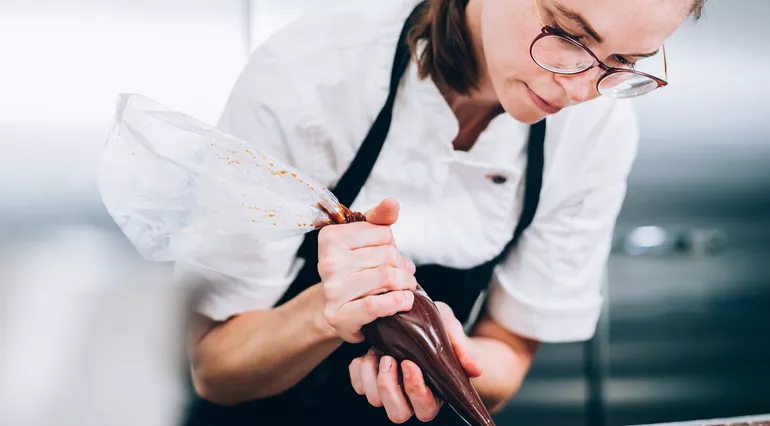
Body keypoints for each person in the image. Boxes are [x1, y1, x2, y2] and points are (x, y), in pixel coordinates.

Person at [178, 0, 706, 424]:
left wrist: (445, 362)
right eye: (568, 35)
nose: (578, 88)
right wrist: (329, 312)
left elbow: (509, 350)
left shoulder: (595, 131)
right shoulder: (311, 77)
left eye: (623, 64)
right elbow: (215, 369)